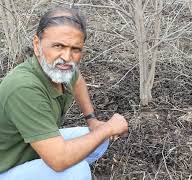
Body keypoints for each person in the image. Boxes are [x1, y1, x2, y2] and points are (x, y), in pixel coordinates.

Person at [0, 7, 128, 180]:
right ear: (37, 45)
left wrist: (91, 119)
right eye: (58, 46)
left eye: (75, 49)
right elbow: (59, 160)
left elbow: (77, 80)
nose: (67, 57)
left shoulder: (58, 68)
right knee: (76, 171)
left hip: (30, 149)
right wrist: (108, 128)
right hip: (6, 166)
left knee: (97, 140)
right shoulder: (23, 87)